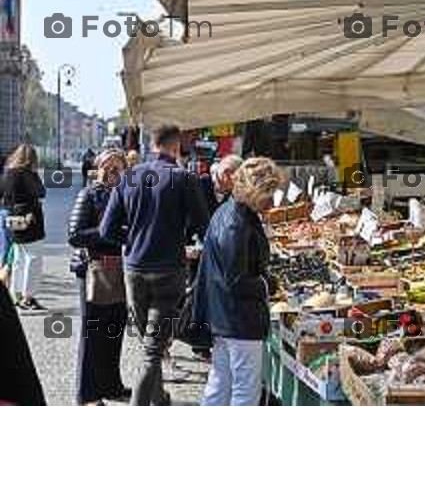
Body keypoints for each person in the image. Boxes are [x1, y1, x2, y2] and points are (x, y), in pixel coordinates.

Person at [100, 125, 209, 405]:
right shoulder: (184, 178)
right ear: (176, 147)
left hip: (134, 270)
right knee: (152, 349)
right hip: (169, 271)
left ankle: (158, 399)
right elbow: (203, 226)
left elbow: (107, 230)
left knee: (149, 344)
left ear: (152, 144)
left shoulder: (130, 176)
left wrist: (134, 237)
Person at [195, 157, 283, 406]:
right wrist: (268, 285)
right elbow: (237, 280)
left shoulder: (228, 211)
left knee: (220, 382)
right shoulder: (237, 222)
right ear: (257, 190)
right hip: (239, 319)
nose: (271, 200)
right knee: (245, 388)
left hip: (223, 315)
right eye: (270, 193)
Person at [68, 149, 130, 406]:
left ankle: (111, 385)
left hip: (120, 270)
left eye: (116, 167)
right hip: (94, 269)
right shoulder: (89, 194)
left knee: (115, 329)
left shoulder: (126, 195)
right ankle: (88, 395)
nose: (110, 171)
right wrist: (110, 232)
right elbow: (75, 235)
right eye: (106, 166)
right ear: (96, 169)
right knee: (92, 332)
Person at [0, 144, 46, 311]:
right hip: (29, 219)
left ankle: (16, 294)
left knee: (19, 258)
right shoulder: (27, 174)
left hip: (12, 218)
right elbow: (41, 192)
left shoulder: (7, 173)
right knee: (34, 258)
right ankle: (29, 297)